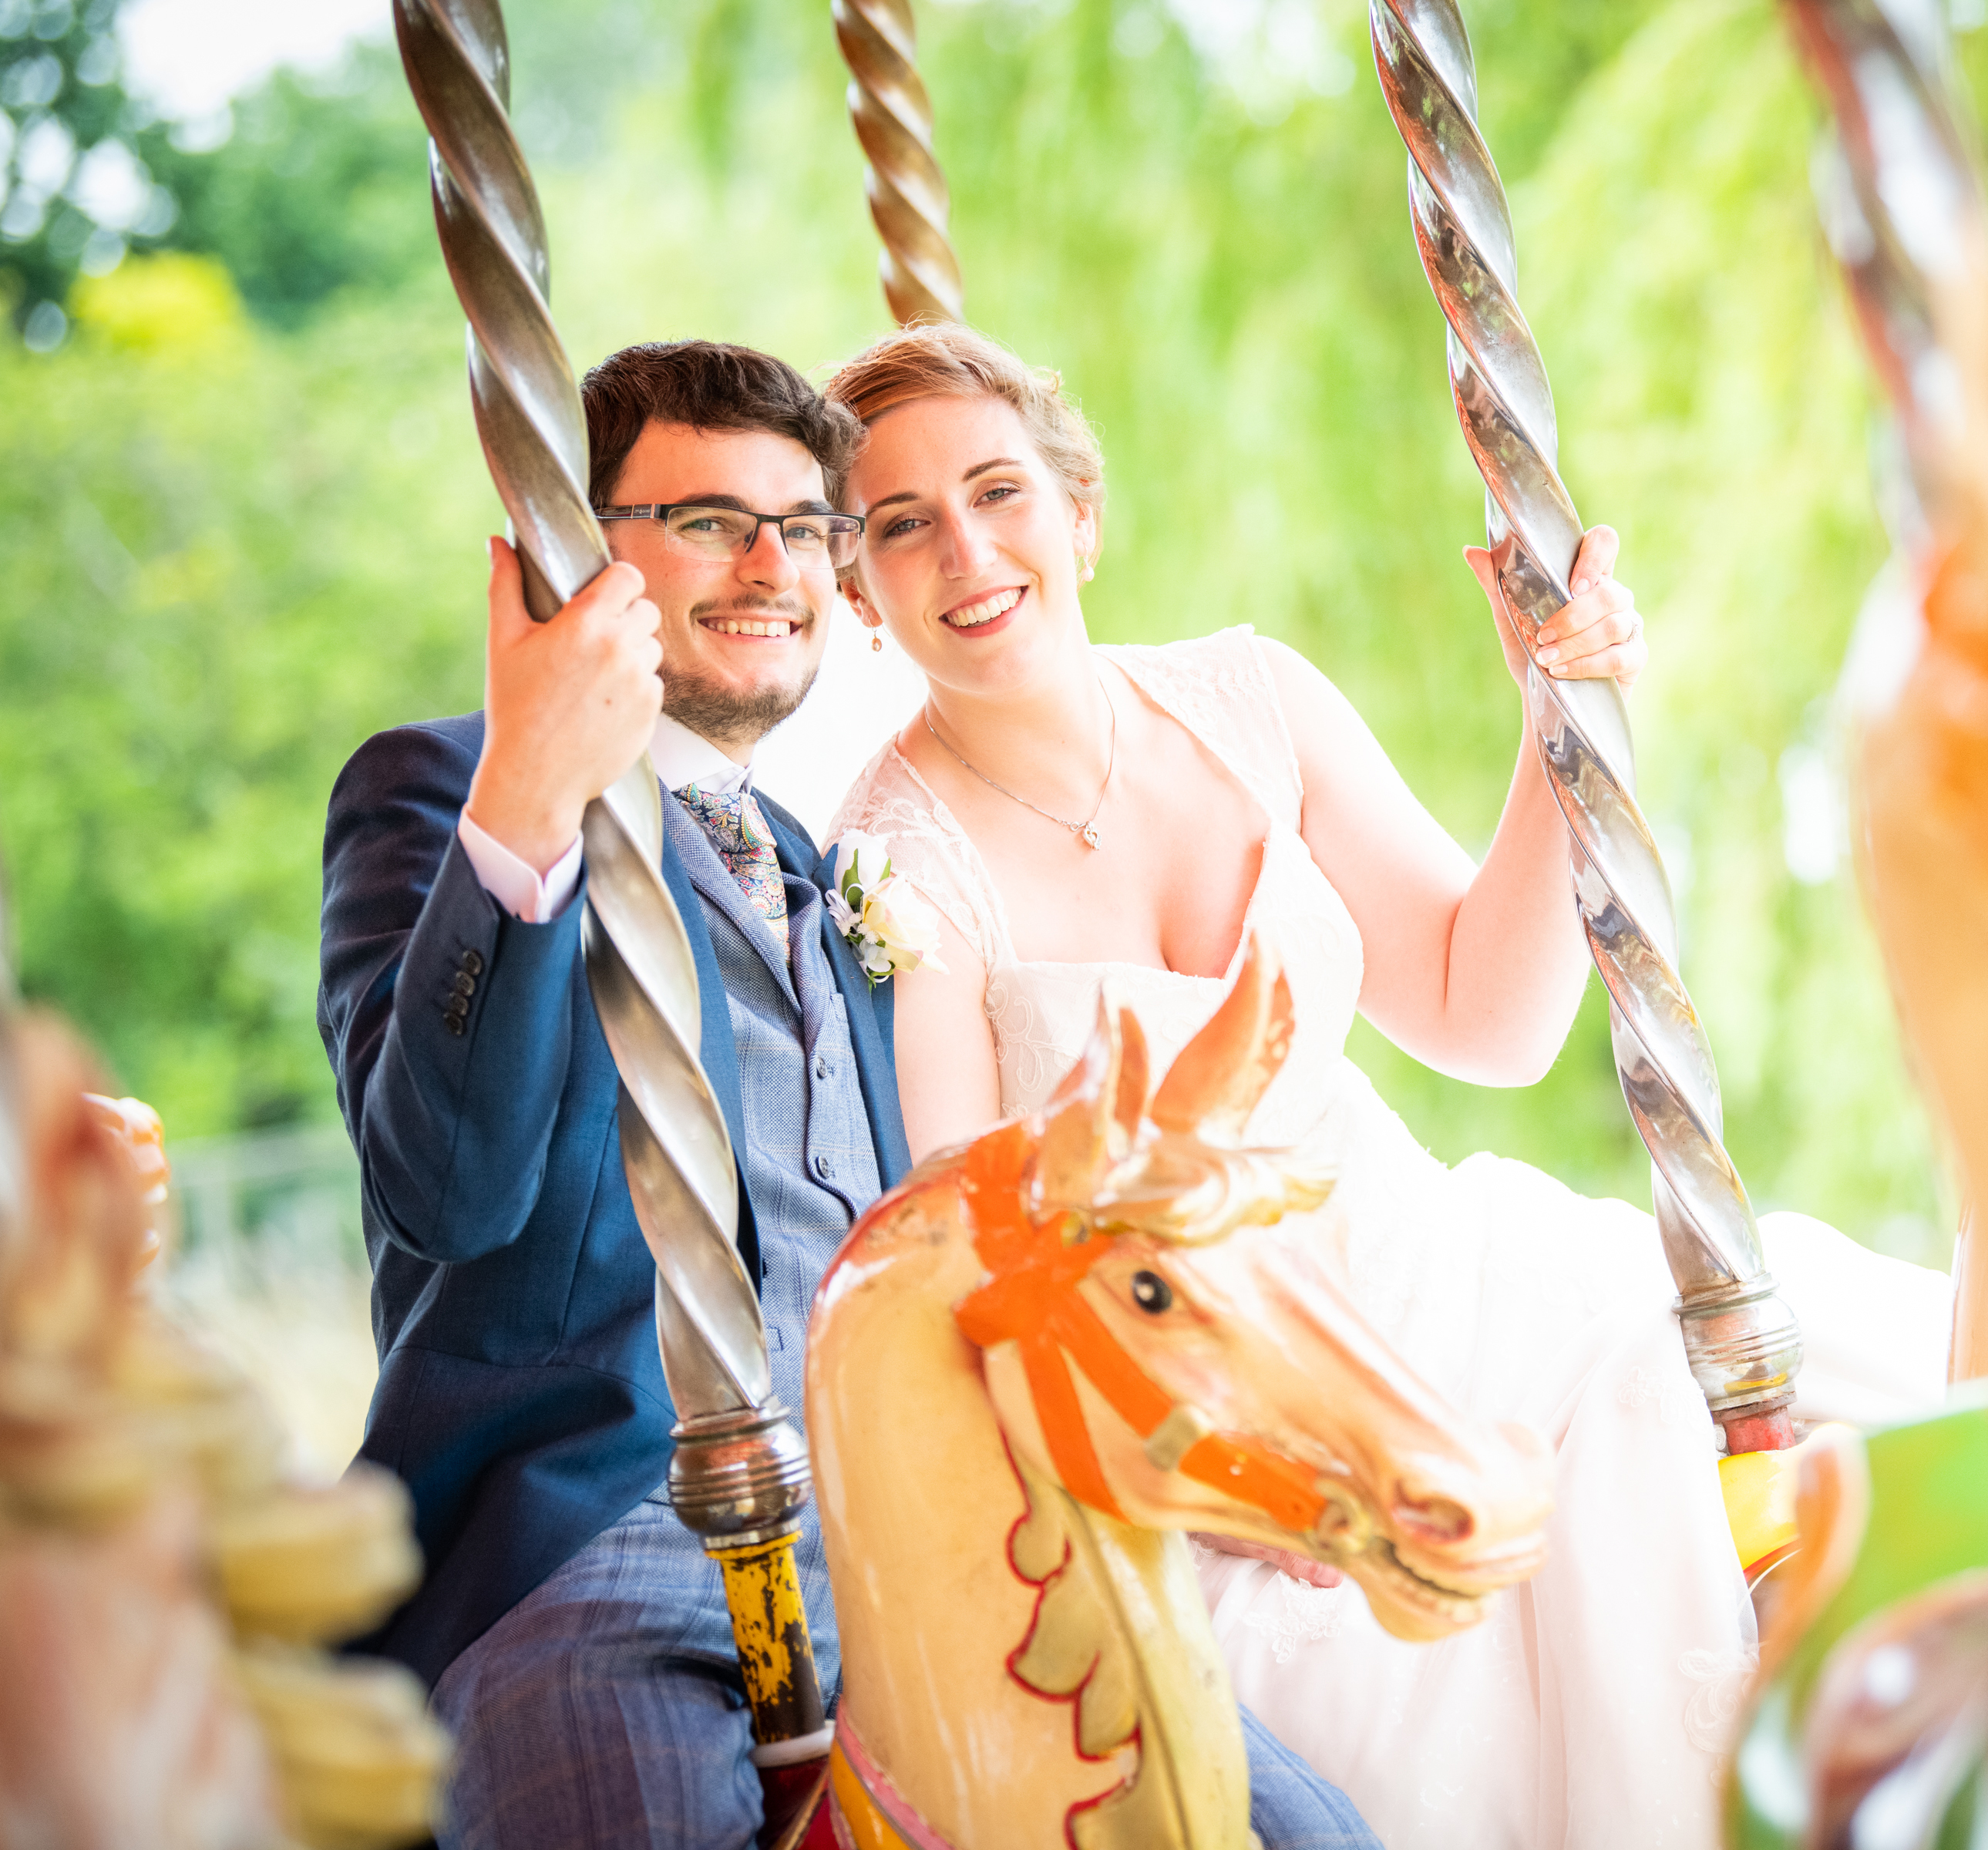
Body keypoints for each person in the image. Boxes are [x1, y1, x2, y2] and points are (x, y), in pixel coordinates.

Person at [819, 324, 1957, 1847]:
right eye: (902, 524)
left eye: (999, 489)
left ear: (1080, 512)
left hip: (1445, 1269)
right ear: (859, 590)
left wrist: (1561, 727)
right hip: (1230, 1408)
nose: (966, 547)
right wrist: (1244, 1467)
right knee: (1491, 1580)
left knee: (1845, 1347)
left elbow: (1485, 1013)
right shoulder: (900, 861)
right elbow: (1003, 1278)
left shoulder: (1249, 702)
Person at [316, 339, 1377, 1849]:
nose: (772, 564)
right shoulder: (442, 791)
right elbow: (444, 1185)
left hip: (912, 1545)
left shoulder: (843, 876)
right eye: (705, 522)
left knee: (1302, 1833)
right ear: (568, 553)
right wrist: (532, 800)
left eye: (806, 528)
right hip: (599, 1550)